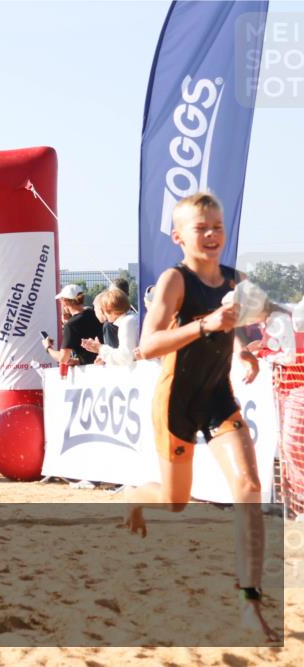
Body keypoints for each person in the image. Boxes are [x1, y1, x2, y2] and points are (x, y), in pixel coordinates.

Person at [124, 192, 277, 642]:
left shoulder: (237, 280)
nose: (211, 235)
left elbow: (233, 330)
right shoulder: (175, 281)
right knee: (175, 500)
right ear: (179, 237)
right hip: (175, 400)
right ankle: (136, 494)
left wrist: (243, 350)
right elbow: (146, 346)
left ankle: (250, 604)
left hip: (217, 398)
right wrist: (206, 324)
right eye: (200, 228)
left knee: (249, 488)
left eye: (217, 227)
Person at [43, 284, 102, 366]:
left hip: (90, 370)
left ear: (65, 302)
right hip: (106, 364)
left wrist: (48, 347)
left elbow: (63, 359)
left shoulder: (71, 325)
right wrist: (78, 361)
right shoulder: (96, 314)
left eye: (61, 300)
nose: (61, 303)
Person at [82, 288, 140, 367]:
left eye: (103, 309)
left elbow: (125, 357)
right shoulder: (131, 319)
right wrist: (103, 355)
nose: (103, 313)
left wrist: (100, 348)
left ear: (109, 310)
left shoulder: (127, 322)